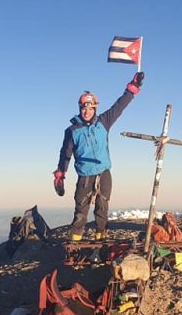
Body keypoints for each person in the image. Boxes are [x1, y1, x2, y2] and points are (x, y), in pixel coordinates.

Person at [53, 72, 145, 241]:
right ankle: (75, 241)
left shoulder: (103, 122)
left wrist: (133, 88)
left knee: (102, 208)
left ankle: (100, 239)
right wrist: (60, 174)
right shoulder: (72, 131)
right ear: (79, 108)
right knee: (81, 210)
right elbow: (65, 153)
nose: (86, 111)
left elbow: (119, 106)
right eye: (83, 108)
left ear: (94, 108)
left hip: (103, 172)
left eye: (90, 108)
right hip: (85, 175)